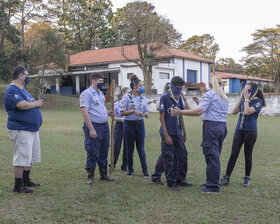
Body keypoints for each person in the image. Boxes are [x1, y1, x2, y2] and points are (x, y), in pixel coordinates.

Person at [171, 76, 229, 194]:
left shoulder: (209, 95)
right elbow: (213, 109)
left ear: (210, 85)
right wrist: (200, 102)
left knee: (212, 156)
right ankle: (212, 181)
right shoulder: (224, 96)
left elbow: (198, 112)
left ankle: (212, 186)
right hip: (221, 127)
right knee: (215, 156)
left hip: (211, 127)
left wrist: (180, 112)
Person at [4, 66, 44, 193]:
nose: (28, 77)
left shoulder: (23, 90)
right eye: (27, 75)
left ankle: (26, 180)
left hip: (31, 129)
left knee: (29, 156)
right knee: (21, 156)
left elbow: (29, 104)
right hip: (21, 129)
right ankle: (18, 185)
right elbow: (21, 105)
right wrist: (35, 104)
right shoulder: (11, 89)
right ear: (20, 76)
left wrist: (36, 104)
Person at [219, 83, 265, 187]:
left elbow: (247, 111)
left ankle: (247, 178)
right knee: (233, 154)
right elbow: (234, 112)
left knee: (248, 155)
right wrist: (241, 98)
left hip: (251, 132)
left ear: (252, 91)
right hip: (239, 131)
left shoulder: (258, 101)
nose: (244, 90)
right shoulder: (244, 100)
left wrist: (247, 99)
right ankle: (226, 177)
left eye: (247, 89)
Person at [151, 82, 192, 188]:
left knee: (182, 156)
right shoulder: (165, 98)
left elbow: (181, 115)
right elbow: (161, 117)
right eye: (177, 87)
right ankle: (171, 182)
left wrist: (183, 131)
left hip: (177, 133)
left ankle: (180, 179)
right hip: (168, 133)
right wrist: (166, 135)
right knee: (168, 157)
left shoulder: (179, 98)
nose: (179, 90)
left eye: (181, 88)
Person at [80, 72, 114, 184]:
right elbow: (84, 112)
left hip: (104, 126)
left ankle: (103, 174)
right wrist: (91, 129)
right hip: (94, 125)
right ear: (93, 81)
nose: (102, 83)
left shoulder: (100, 94)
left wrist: (108, 113)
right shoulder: (86, 94)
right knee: (93, 151)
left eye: (102, 81)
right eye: (100, 81)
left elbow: (100, 108)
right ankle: (90, 175)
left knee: (104, 149)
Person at [120, 74, 149, 177]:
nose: (142, 87)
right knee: (130, 148)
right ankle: (130, 170)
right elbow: (122, 112)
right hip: (129, 125)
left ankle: (145, 171)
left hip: (140, 124)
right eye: (140, 85)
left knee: (141, 148)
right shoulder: (126, 97)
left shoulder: (143, 97)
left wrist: (146, 114)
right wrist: (133, 111)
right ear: (134, 87)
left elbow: (146, 110)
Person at [113, 87, 130, 171]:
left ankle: (125, 165)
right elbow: (114, 118)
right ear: (123, 93)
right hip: (119, 125)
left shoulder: (130, 104)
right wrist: (121, 119)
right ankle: (113, 164)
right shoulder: (116, 104)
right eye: (127, 92)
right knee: (116, 145)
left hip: (128, 125)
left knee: (127, 146)